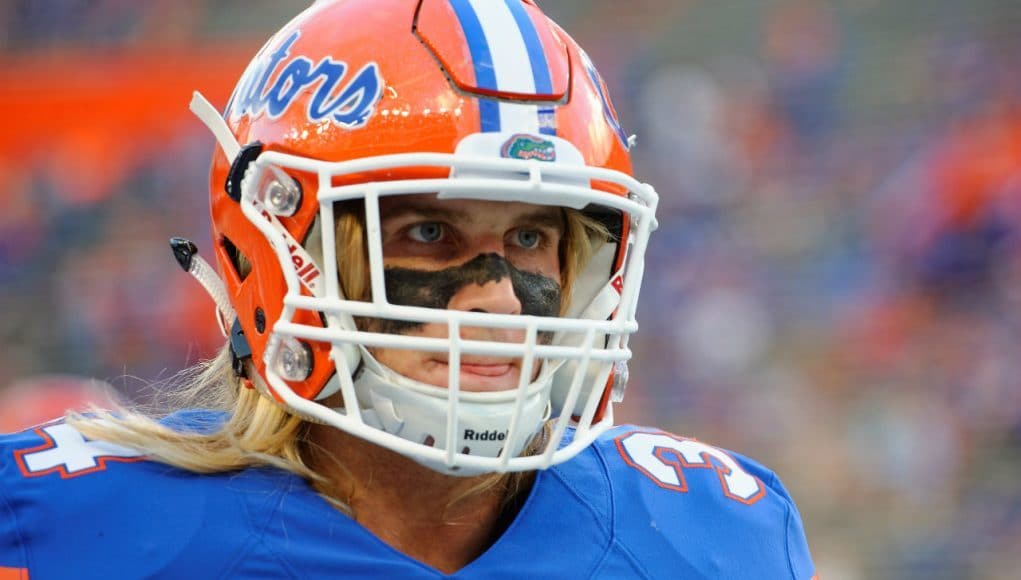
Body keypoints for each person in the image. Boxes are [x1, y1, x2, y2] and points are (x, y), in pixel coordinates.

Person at [0, 1, 818, 577]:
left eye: (530, 237)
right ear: (280, 247)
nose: (497, 300)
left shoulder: (718, 537)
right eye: (429, 233)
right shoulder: (61, 531)